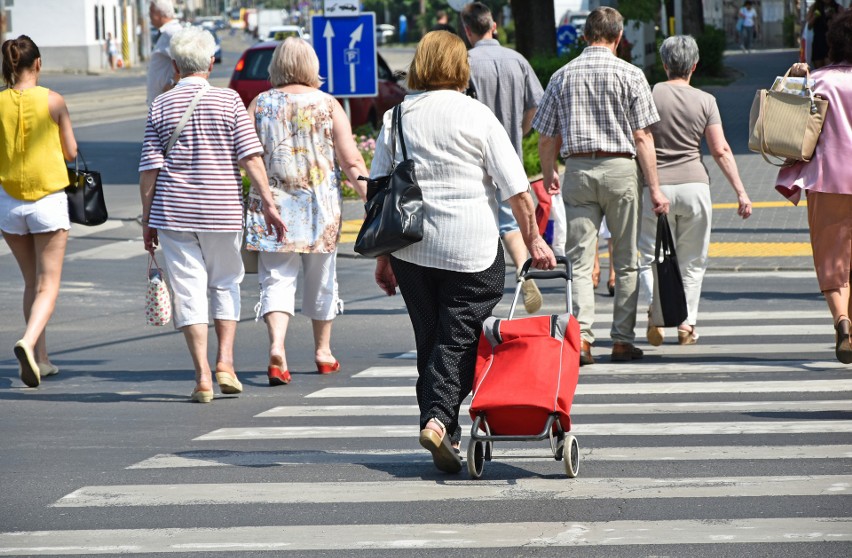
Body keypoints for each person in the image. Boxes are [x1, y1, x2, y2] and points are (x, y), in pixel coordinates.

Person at [372, 31, 556, 474]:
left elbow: (379, 190)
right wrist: (533, 240)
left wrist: (383, 257)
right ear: (460, 67)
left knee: (430, 338)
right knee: (458, 338)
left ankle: (444, 427)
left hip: (411, 248)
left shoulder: (396, 117)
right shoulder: (478, 116)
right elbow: (517, 191)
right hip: (470, 246)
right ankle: (437, 419)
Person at [139, 26, 285, 403]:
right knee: (225, 282)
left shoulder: (160, 105)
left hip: (173, 213)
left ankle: (202, 377)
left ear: (174, 65)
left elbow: (149, 170)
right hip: (221, 211)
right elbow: (250, 157)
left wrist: (147, 218)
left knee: (188, 291)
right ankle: (225, 363)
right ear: (211, 62)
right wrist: (268, 202)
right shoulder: (230, 101)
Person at [534, 7, 669, 367]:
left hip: (577, 168)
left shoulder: (562, 76)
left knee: (579, 262)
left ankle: (582, 341)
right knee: (625, 261)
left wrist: (549, 173)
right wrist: (654, 187)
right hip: (621, 168)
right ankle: (622, 341)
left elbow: (546, 136)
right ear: (619, 37)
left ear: (584, 36)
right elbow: (642, 137)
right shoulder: (631, 74)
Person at [244, 37, 368, 386]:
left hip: (272, 209)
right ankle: (323, 352)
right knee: (322, 280)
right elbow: (351, 159)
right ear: (312, 65)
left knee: (277, 280)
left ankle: (277, 348)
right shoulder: (328, 105)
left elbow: (245, 155)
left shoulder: (261, 104)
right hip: (319, 209)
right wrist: (371, 196)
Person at [639, 35, 752, 347]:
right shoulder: (706, 101)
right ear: (695, 65)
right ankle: (686, 325)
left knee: (649, 256)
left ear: (663, 64)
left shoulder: (649, 95)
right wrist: (741, 192)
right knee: (692, 262)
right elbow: (721, 150)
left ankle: (655, 313)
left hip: (655, 188)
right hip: (695, 188)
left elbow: (639, 140)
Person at [1, 35, 78, 388]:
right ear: (38, 64)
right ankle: (28, 343)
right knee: (49, 285)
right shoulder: (54, 100)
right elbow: (71, 152)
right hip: (47, 201)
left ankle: (41, 359)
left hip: (9, 202)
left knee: (31, 282)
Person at [776, 11, 852, 364]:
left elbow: (785, 124)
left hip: (827, 181)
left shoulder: (819, 81)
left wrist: (795, 78)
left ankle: (842, 321)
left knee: (831, 260)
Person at [461, 1, 545, 314]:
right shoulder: (517, 60)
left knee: (484, 223)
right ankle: (522, 271)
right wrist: (520, 133)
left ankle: (483, 286)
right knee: (510, 218)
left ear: (468, 30)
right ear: (493, 25)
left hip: (474, 159)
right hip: (510, 153)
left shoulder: (465, 63)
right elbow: (536, 104)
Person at [147, 0, 182, 106]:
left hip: (167, 104)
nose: (149, 15)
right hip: (161, 103)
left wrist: (173, 83)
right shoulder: (166, 32)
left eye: (151, 11)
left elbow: (185, 61)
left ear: (159, 13)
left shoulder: (171, 32)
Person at [807, 0, 843, 69]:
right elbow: (808, 26)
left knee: (829, 68)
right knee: (818, 69)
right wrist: (815, 16)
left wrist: (833, 16)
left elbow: (842, 24)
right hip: (818, 41)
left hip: (830, 42)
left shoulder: (837, 7)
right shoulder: (815, 7)